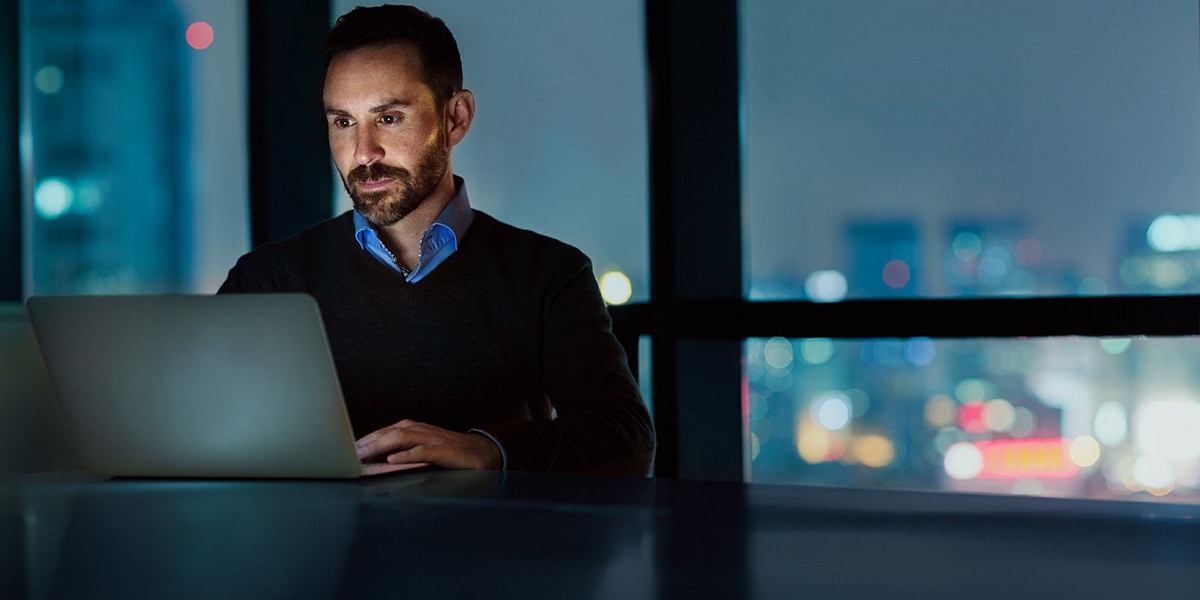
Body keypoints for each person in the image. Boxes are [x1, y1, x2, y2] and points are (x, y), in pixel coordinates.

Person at [218, 4, 655, 476]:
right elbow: (196, 430)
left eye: (388, 118)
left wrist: (485, 450)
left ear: (456, 118)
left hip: (486, 546)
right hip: (320, 547)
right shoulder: (264, 279)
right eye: (343, 122)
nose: (363, 153)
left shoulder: (549, 274)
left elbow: (625, 440)